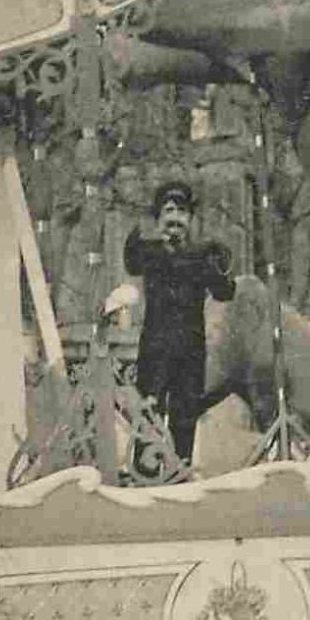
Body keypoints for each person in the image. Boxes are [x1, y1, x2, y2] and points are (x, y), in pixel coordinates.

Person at [122, 181, 235, 464]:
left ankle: (180, 478)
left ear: (190, 220)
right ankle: (143, 482)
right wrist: (147, 233)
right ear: (159, 218)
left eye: (181, 212)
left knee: (185, 420)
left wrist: (216, 260)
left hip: (190, 353)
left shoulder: (199, 258)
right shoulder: (149, 253)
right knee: (149, 418)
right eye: (168, 211)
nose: (175, 218)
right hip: (155, 352)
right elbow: (131, 260)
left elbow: (225, 292)